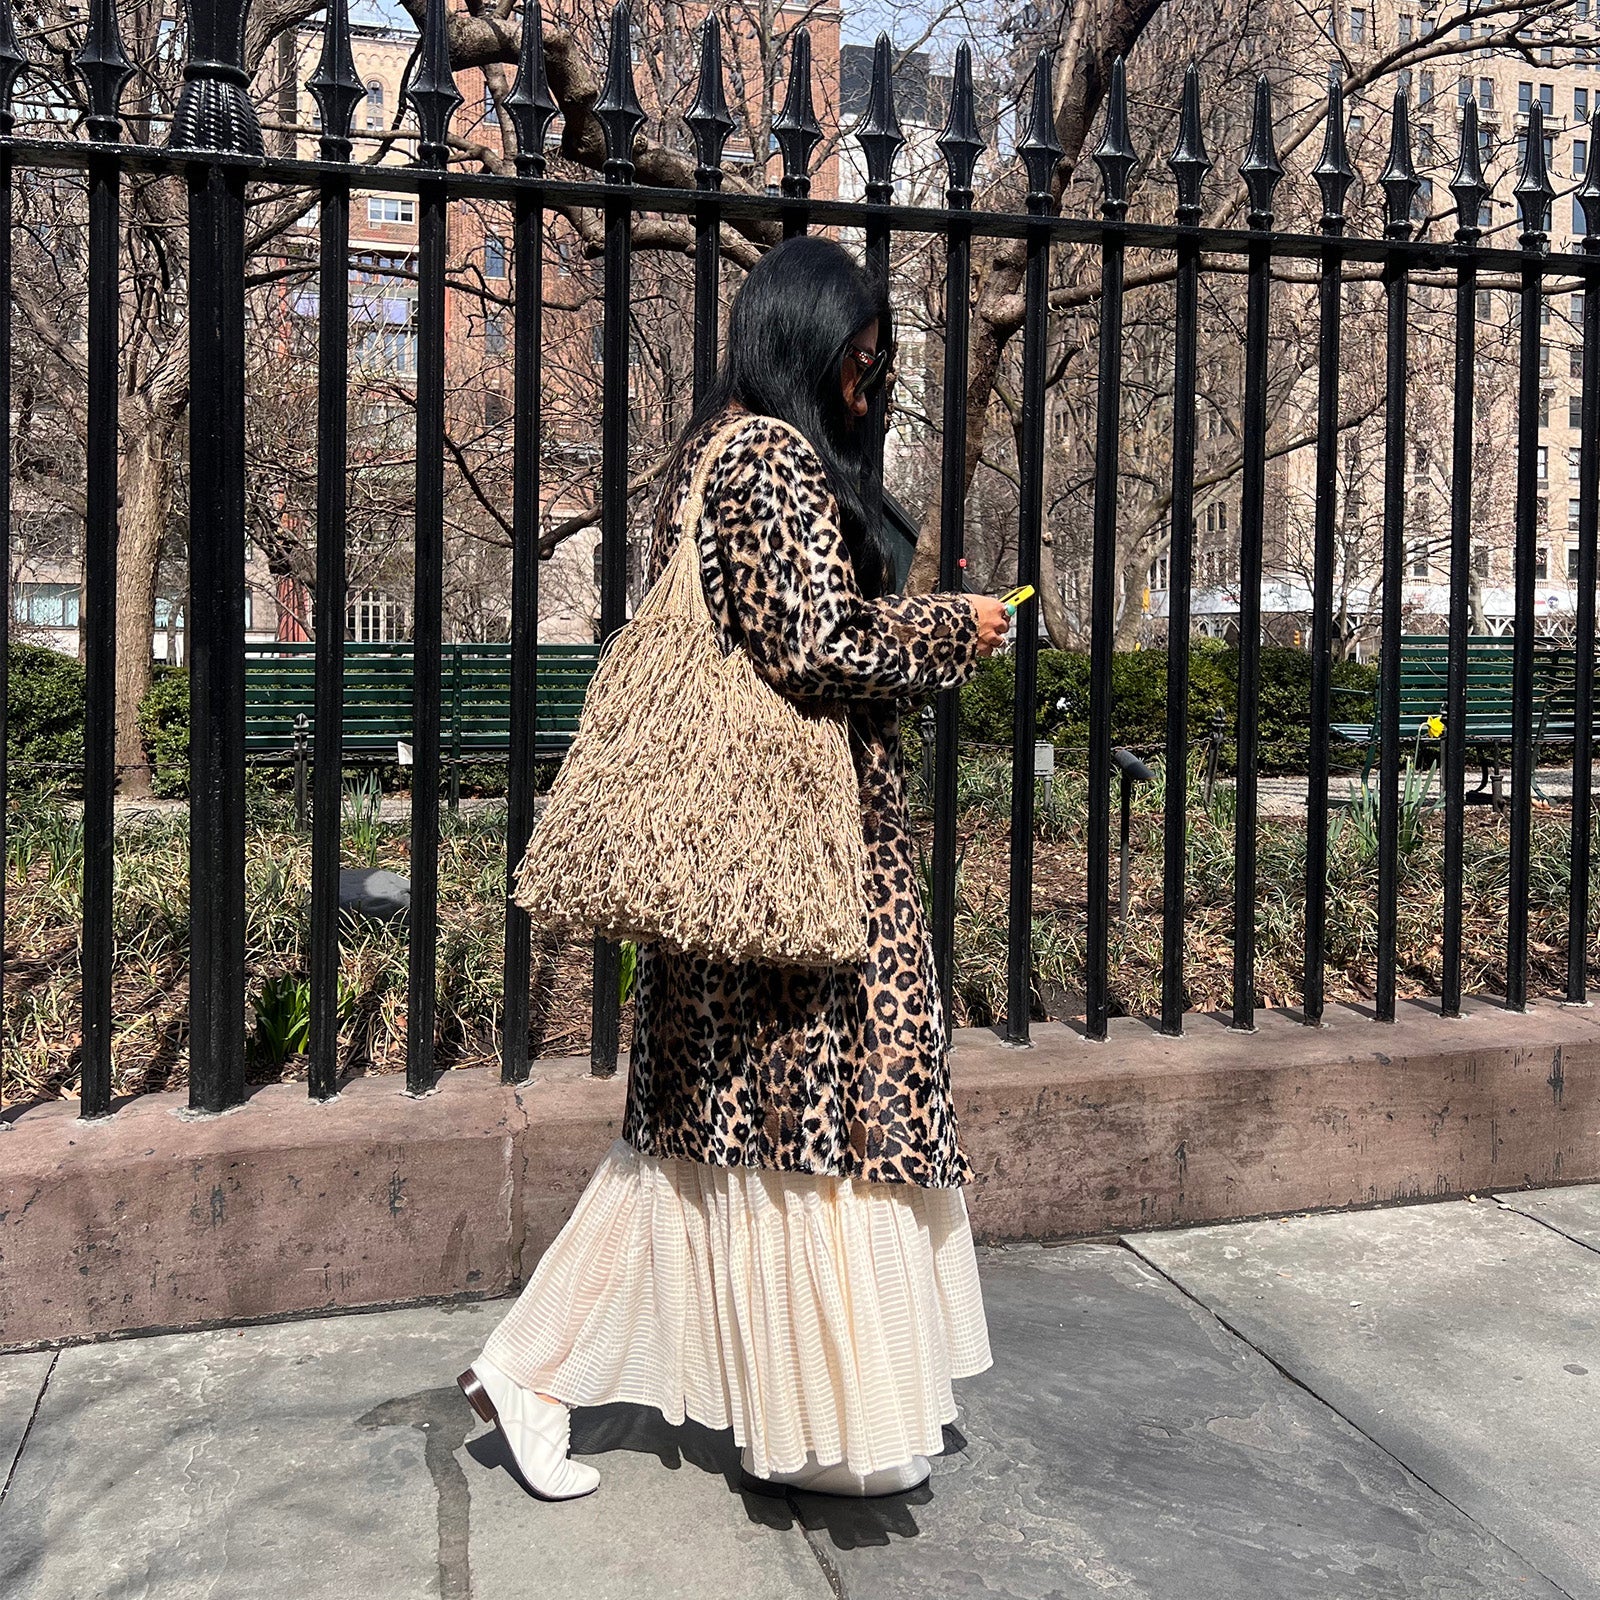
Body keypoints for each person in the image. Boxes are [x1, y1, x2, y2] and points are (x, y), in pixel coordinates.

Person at [458, 235, 1013, 1501]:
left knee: (714, 1148)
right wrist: (949, 632)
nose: (870, 382)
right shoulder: (762, 456)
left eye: (879, 362)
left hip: (777, 877)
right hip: (789, 881)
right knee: (799, 1134)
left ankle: (547, 1370)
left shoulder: (741, 451)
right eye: (857, 357)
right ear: (802, 341)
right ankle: (750, 1405)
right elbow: (809, 639)